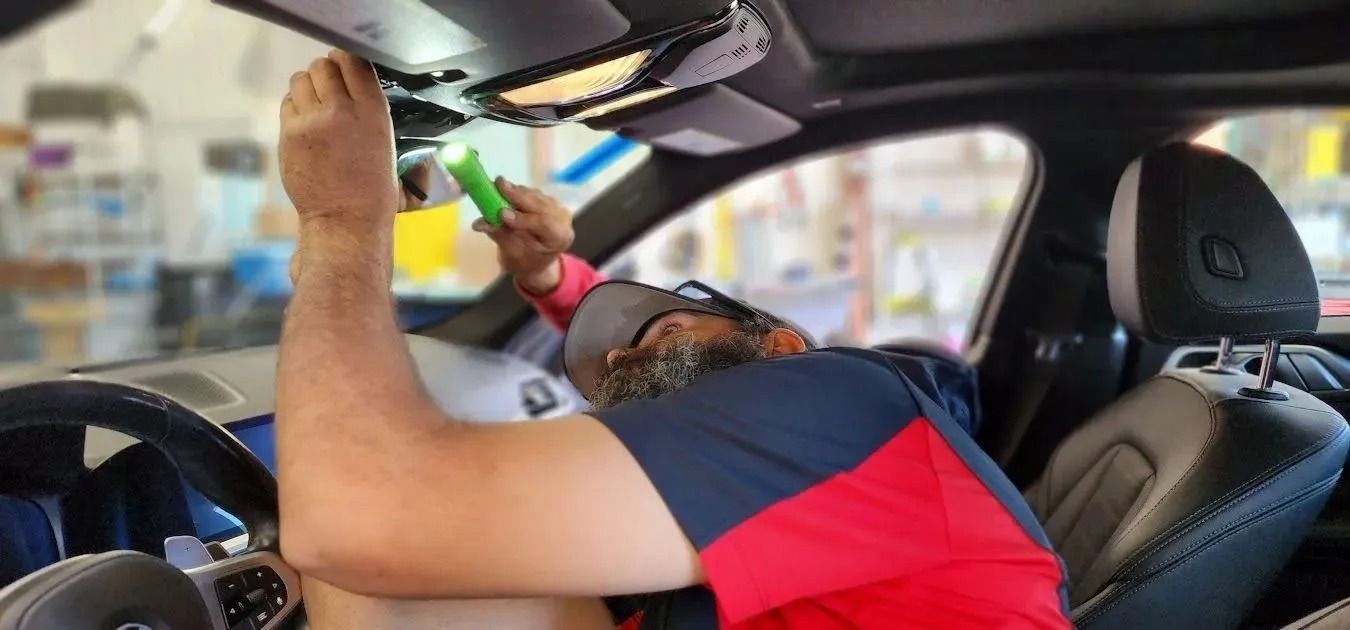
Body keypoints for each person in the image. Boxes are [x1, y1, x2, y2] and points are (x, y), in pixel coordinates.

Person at [277, 50, 1069, 629]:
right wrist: (550, 278)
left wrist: (341, 220)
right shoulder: (782, 482)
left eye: (665, 326)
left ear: (782, 347)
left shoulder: (840, 400)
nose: (618, 356)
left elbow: (355, 517)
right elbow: (651, 359)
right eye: (613, 364)